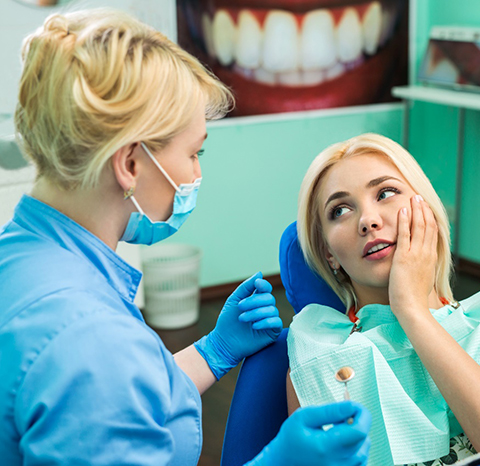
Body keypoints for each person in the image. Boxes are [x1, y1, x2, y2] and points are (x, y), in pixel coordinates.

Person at [0, 9, 372, 466]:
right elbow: (100, 376)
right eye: (194, 152)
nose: (197, 173)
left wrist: (214, 350)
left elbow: (114, 401)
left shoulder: (22, 255)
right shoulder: (89, 338)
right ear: (130, 164)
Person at [286, 133, 480, 466]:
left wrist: (413, 313)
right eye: (340, 210)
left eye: (385, 193)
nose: (368, 221)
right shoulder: (318, 363)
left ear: (426, 210)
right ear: (329, 254)